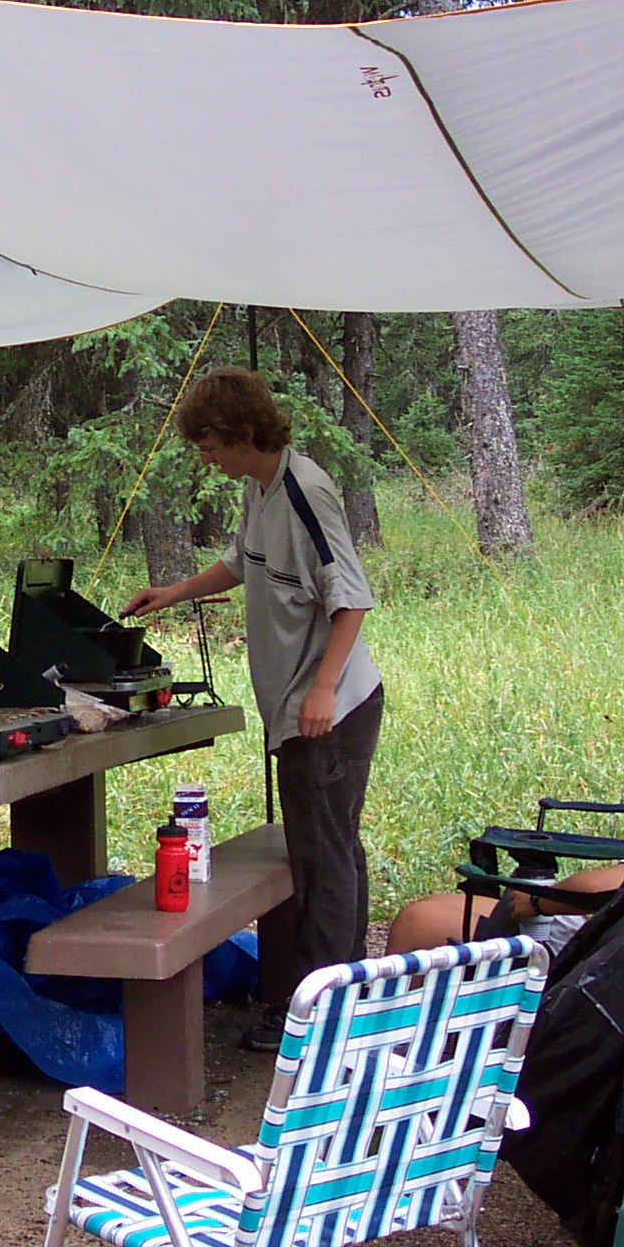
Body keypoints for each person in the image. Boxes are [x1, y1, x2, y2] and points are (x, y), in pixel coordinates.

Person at [122, 367, 382, 1053]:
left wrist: (322, 690)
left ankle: (320, 1019)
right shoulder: (258, 489)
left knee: (324, 859)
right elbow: (244, 561)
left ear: (241, 433)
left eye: (209, 445)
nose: (205, 458)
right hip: (298, 704)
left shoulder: (307, 493)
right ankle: (336, 1000)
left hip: (328, 709)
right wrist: (175, 592)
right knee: (324, 850)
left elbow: (350, 599)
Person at [384, 707, 624, 956]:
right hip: (616, 934)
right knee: (428, 907)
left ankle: (389, 1044)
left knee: (418, 921)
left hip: (604, 949)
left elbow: (614, 886)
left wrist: (540, 900)